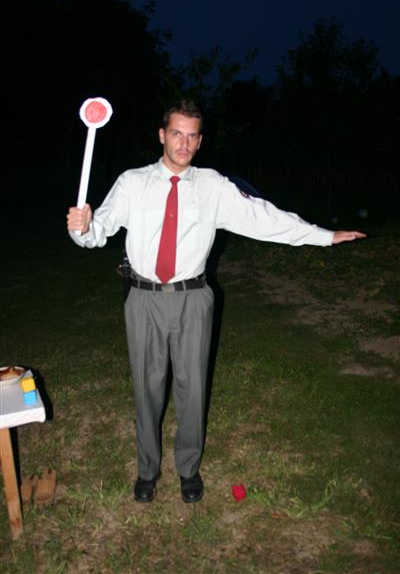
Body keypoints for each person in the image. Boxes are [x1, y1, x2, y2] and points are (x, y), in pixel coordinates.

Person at [67, 99, 366, 504]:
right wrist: (82, 229)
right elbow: (97, 230)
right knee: (146, 389)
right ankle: (147, 471)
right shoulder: (132, 183)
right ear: (162, 135)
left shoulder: (213, 186)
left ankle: (188, 469)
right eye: (176, 134)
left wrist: (323, 236)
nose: (183, 144)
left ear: (200, 141)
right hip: (143, 299)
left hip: (193, 298)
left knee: (192, 388)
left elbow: (264, 217)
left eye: (192, 136)